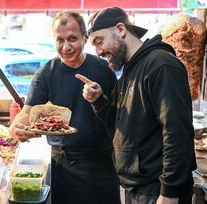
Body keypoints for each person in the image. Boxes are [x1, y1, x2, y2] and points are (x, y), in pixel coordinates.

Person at [76, 7, 196, 204]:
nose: (98, 51)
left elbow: (177, 132)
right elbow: (118, 126)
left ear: (121, 29)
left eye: (100, 41)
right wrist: (98, 100)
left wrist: (169, 192)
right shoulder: (128, 72)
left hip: (158, 190)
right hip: (138, 188)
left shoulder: (161, 65)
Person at [9, 11, 121, 204]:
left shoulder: (104, 69)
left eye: (72, 39)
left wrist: (99, 98)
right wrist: (16, 127)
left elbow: (119, 116)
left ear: (85, 38)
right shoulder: (46, 73)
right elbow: (27, 112)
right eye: (60, 40)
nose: (66, 46)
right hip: (64, 165)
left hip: (101, 163)